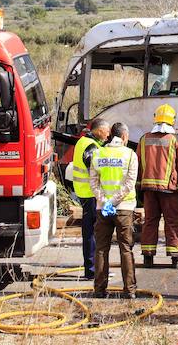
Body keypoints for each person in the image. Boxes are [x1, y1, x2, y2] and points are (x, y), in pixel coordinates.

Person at [137, 104, 178, 268]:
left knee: (149, 221)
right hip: (170, 191)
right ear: (172, 121)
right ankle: (175, 257)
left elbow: (139, 165)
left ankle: (148, 256)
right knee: (173, 222)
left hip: (148, 190)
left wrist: (138, 188)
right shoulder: (175, 140)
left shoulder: (143, 139)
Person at [90, 122, 139, 298]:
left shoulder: (98, 153)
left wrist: (105, 201)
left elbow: (93, 183)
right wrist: (114, 201)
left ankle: (99, 290)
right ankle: (130, 291)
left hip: (103, 209)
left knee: (101, 249)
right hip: (124, 208)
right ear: (124, 137)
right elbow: (129, 184)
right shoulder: (130, 155)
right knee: (125, 248)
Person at [71, 118, 110, 280]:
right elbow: (95, 170)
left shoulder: (84, 141)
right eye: (106, 131)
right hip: (90, 194)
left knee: (90, 232)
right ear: (99, 130)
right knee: (92, 233)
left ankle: (93, 268)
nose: (108, 135)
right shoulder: (90, 146)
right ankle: (92, 270)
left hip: (84, 192)